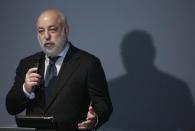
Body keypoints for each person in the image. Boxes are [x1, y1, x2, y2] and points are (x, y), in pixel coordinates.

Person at [6, 9, 113, 131]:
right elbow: (11, 107)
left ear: (65, 30)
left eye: (52, 29)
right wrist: (25, 89)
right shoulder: (27, 63)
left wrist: (95, 118)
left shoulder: (88, 63)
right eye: (41, 31)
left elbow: (103, 104)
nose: (46, 36)